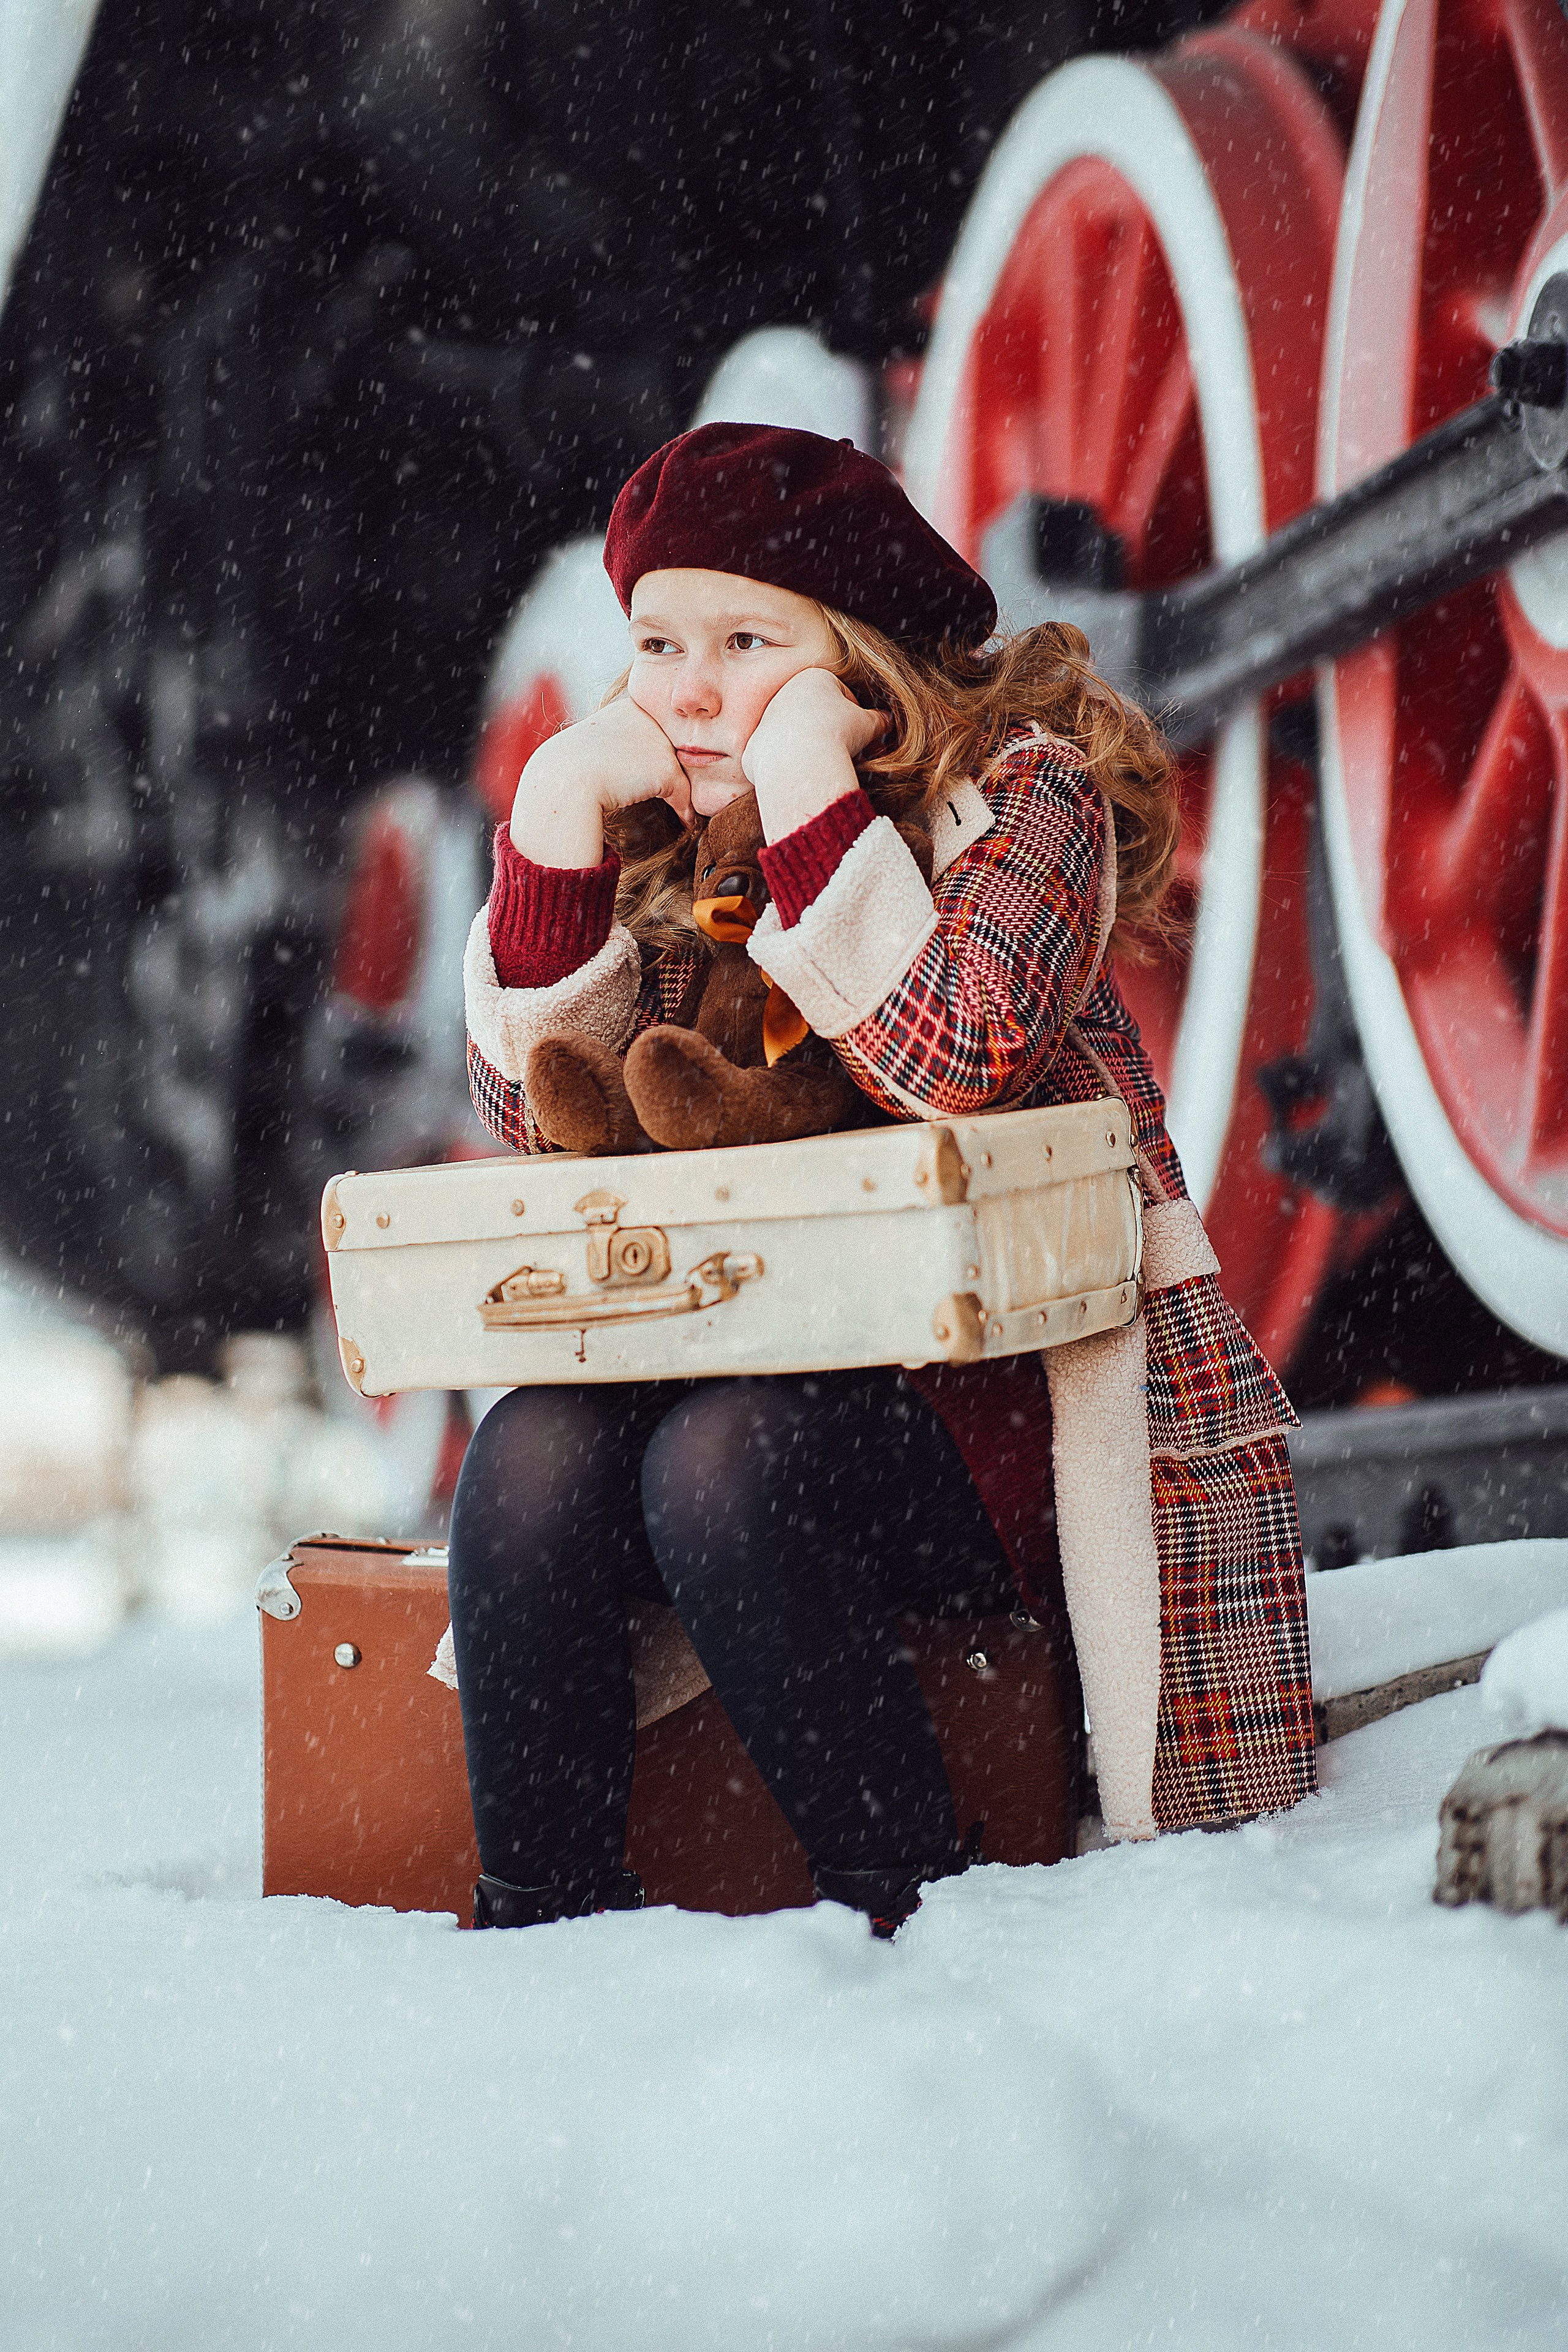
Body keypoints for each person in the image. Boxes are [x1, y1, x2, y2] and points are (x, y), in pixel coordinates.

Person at [450, 422, 1314, 1934]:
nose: (693, 687)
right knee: (533, 1452)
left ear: (851, 651)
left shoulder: (1018, 799)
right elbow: (549, 1137)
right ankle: (541, 1928)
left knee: (726, 1459)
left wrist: (806, 794)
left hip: (1008, 1413)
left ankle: (910, 1914)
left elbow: (952, 1053)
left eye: (745, 640)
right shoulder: (667, 833)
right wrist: (552, 836)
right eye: (658, 641)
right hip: (749, 1366)